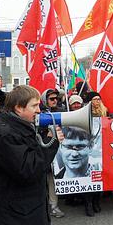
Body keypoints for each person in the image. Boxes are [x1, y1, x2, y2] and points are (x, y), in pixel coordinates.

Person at [0, 85, 64, 225]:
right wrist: (52, 143)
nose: (39, 110)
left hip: (31, 217)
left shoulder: (20, 127)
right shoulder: (4, 135)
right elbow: (29, 170)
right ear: (18, 107)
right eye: (34, 106)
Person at [40, 88, 65, 218]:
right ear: (45, 100)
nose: (55, 101)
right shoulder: (39, 114)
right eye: (52, 99)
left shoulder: (62, 112)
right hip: (43, 150)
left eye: (57, 98)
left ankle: (53, 206)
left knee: (52, 180)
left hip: (56, 152)